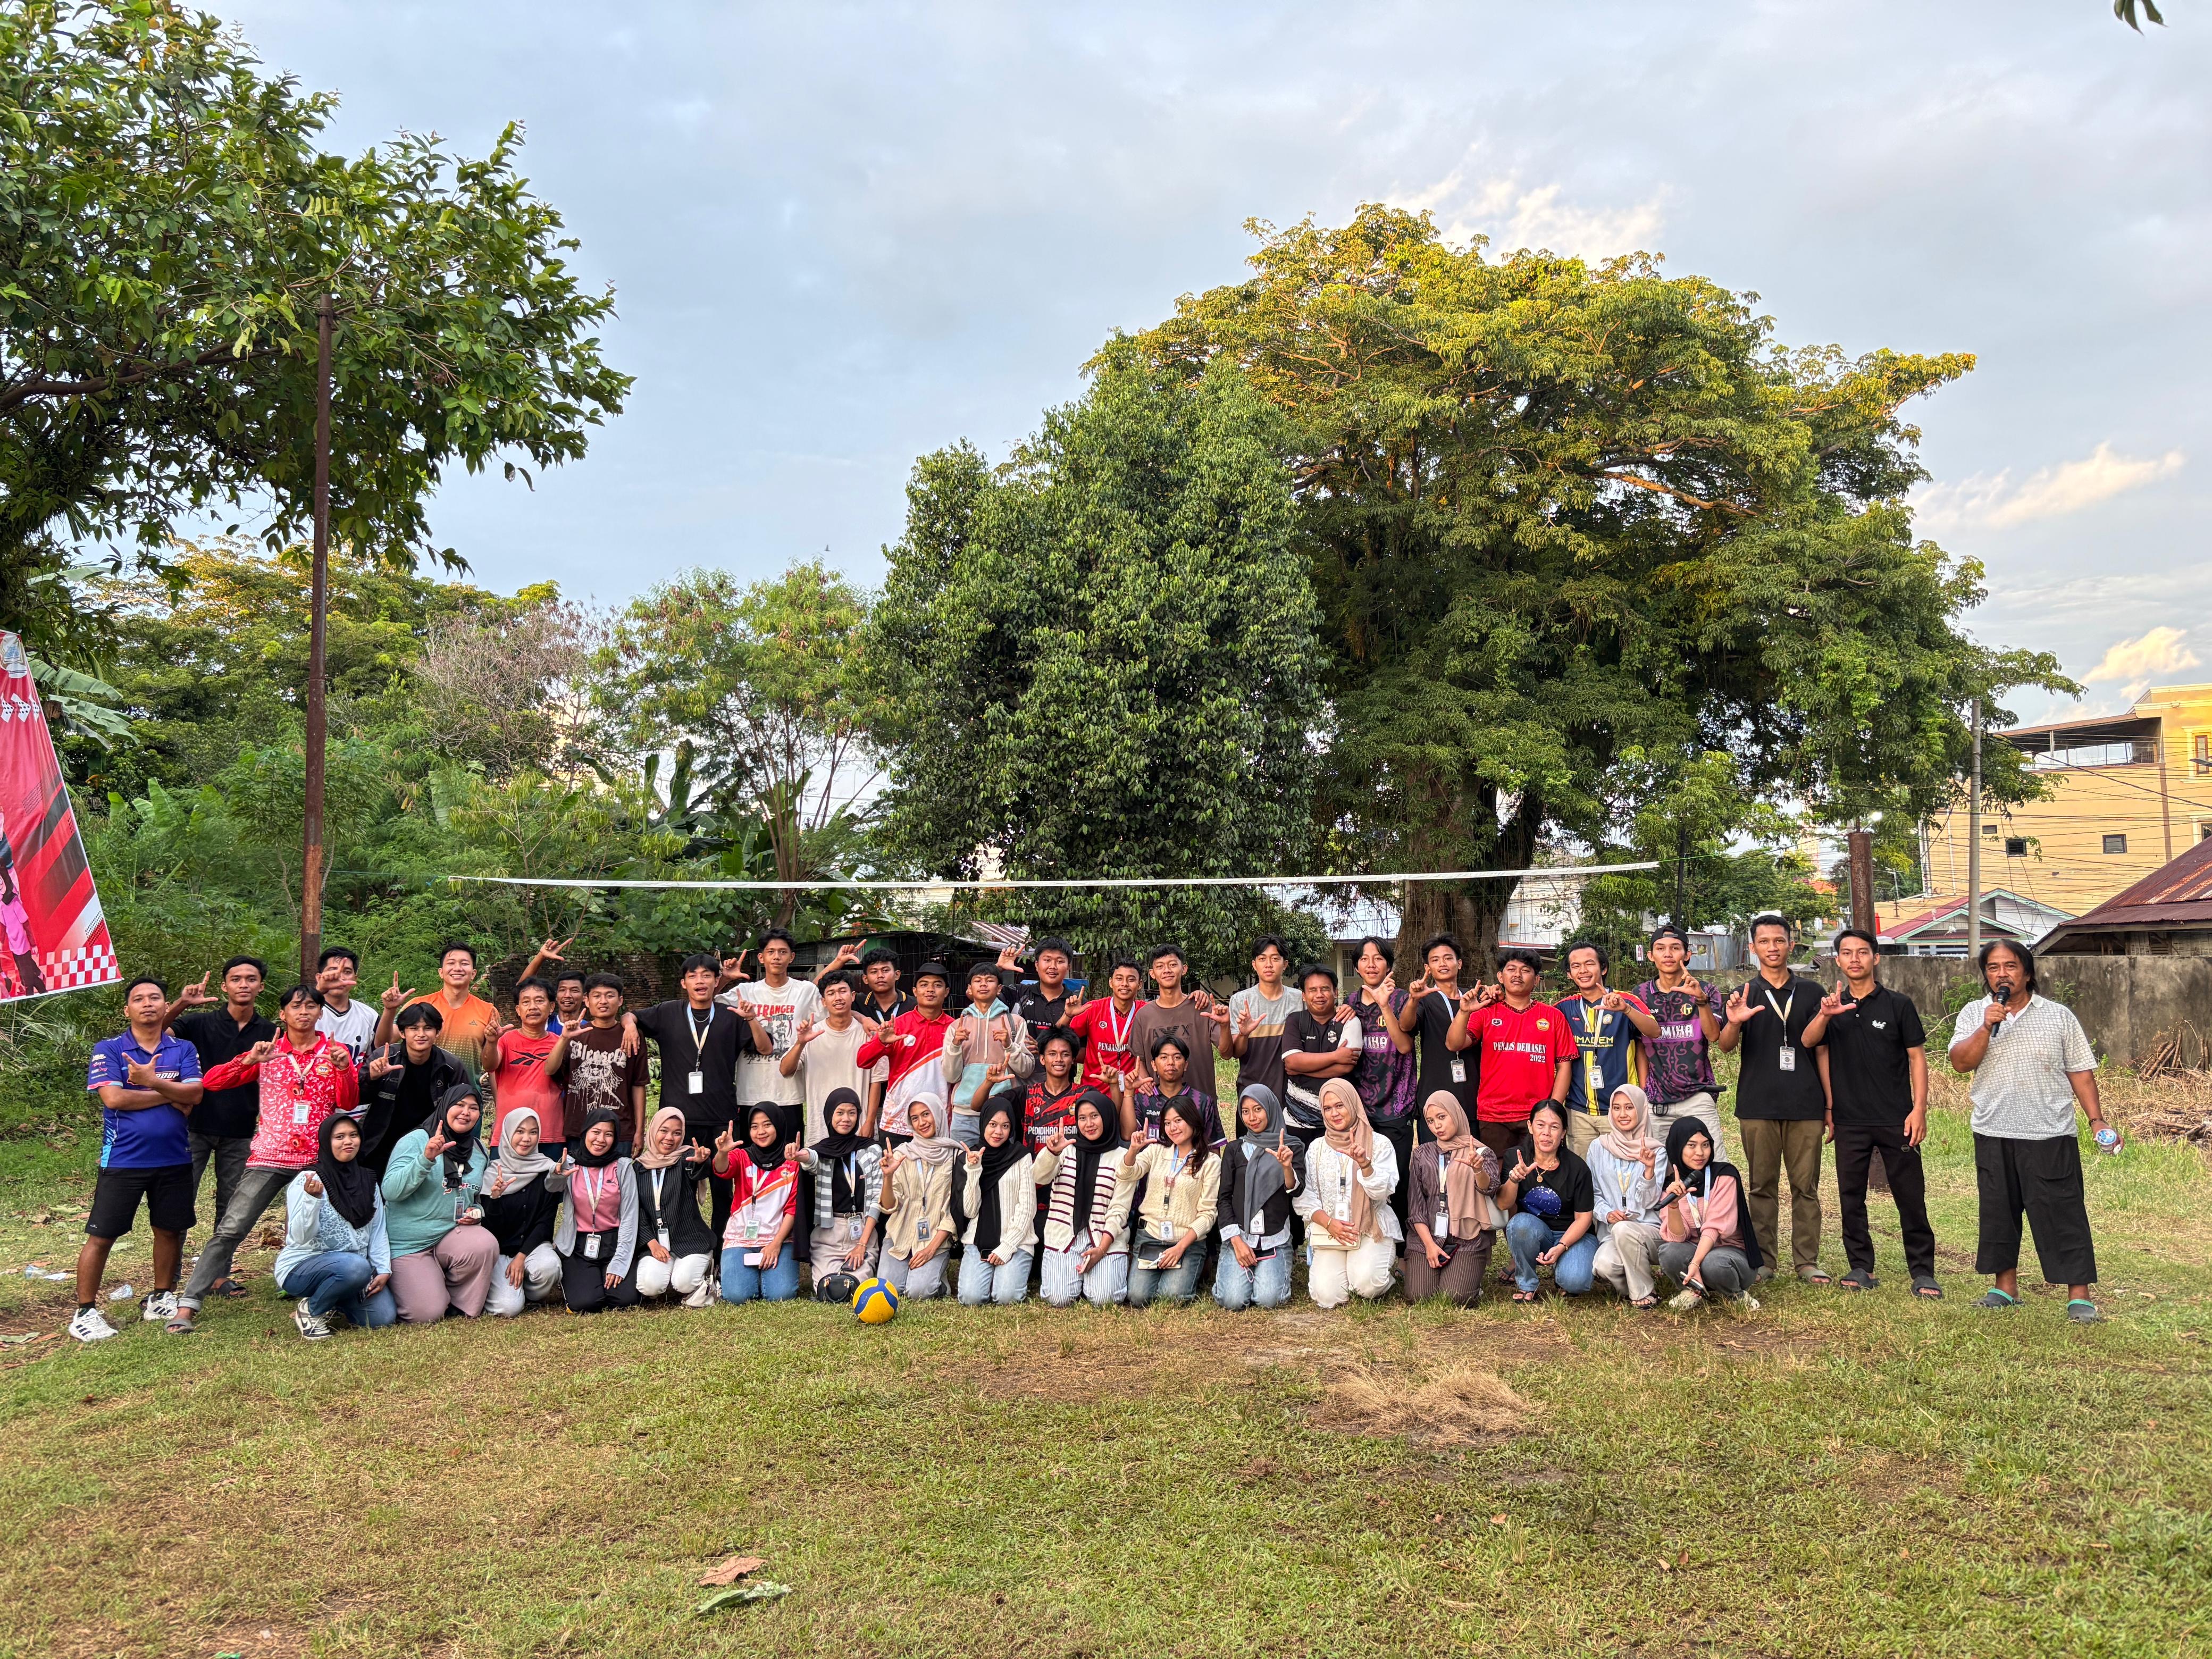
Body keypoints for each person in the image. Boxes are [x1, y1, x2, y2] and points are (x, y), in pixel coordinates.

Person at [169, 984, 359, 1335]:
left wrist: (345, 1068)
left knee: (330, 1229)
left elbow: (348, 1101)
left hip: (318, 1161)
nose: (304, 1012)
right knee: (231, 1228)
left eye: (311, 1007)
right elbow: (211, 1083)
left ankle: (325, 1296)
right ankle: (187, 1306)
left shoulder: (335, 1052)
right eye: (296, 1007)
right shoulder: (268, 1052)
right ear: (283, 1014)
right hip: (270, 1154)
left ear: (321, 1013)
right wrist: (249, 1060)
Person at [1946, 939, 2115, 1323]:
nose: (2001, 974)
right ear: (1985, 974)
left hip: (2049, 1131)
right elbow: (1960, 1063)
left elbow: (2081, 1072)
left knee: (2063, 1212)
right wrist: (1987, 1026)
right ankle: (2004, 1288)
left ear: (2027, 971)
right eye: (1992, 967)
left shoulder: (2058, 1016)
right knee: (1998, 1212)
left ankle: (2079, 1296)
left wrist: (2097, 1119)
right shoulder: (1975, 1013)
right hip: (1994, 1129)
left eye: (2010, 966)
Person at [71, 977, 205, 1342]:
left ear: (166, 1007)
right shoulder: (110, 1049)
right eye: (139, 999)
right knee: (103, 1235)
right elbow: (114, 1099)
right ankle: (85, 1311)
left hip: (174, 1158)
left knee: (169, 1229)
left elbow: (195, 1092)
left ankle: (161, 1296)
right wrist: (168, 1092)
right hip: (124, 1159)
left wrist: (149, 1083)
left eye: (155, 998)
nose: (148, 1004)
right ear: (127, 1009)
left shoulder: (183, 1048)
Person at [1714, 914, 1836, 1284]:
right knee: (1761, 1186)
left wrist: (1830, 1106)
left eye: (1779, 941)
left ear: (1791, 944)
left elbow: (1823, 1053)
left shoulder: (1813, 993)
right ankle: (1764, 1261)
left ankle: (1806, 1262)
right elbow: (1724, 1046)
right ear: (1753, 948)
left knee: (1806, 1187)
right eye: (1764, 942)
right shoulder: (1743, 993)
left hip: (1806, 1105)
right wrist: (1734, 1020)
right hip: (1758, 1105)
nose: (1772, 948)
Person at [1819, 928, 1939, 1298]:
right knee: (1850, 1197)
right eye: (1847, 953)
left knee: (1910, 1196)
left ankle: (1923, 1271)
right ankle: (1860, 1266)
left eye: (1862, 952)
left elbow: (1917, 1058)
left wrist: (1918, 1109)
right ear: (1837, 961)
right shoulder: (1831, 1008)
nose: (1855, 959)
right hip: (1850, 1120)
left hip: (1896, 1117)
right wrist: (1830, 1108)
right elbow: (1818, 1051)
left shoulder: (1898, 1004)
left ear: (1876, 958)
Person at [623, 954, 766, 1238]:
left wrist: (752, 1020)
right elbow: (632, 1014)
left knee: (723, 1189)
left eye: (706, 976)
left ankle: (721, 1250)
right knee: (679, 1190)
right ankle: (685, 1245)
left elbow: (764, 1048)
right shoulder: (668, 1013)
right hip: (678, 1122)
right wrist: (629, 1025)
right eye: (693, 976)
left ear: (717, 982)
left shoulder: (730, 1015)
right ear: (683, 983)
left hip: (721, 1119)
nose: (700, 981)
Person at [164, 957, 273, 1289]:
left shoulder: (270, 1032)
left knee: (230, 1207)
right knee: (180, 1201)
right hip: (193, 1127)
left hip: (241, 1131)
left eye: (251, 979)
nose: (243, 984)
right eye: (236, 979)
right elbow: (156, 1031)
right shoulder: (198, 1024)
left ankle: (218, 1275)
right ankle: (168, 1278)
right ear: (224, 986)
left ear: (261, 987)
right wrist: (182, 1003)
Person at [379, 1084, 498, 1323]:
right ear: (445, 1107)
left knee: (484, 1243)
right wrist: (425, 1160)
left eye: (474, 1108)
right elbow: (390, 1191)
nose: (466, 1113)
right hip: (409, 1244)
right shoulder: (417, 1140)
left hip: (449, 1236)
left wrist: (477, 1212)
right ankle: (416, 1288)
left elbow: (472, 1198)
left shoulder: (478, 1151)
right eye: (459, 1105)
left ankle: (459, 1303)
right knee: (427, 1313)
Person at [272, 1114, 397, 1339]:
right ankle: (312, 1310)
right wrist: (313, 1200)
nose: (348, 1142)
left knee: (382, 1318)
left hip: (352, 1269)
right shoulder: (309, 1180)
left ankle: (334, 1300)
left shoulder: (367, 1181)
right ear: (326, 1143)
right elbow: (299, 1238)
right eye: (339, 1137)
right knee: (356, 1268)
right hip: (303, 1267)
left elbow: (377, 1230)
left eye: (353, 1135)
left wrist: (383, 1268)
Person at [1459, 949, 1575, 1161]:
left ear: (1537, 979)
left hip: (1537, 1116)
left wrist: (1551, 1111)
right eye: (1511, 969)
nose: (1517, 975)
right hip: (1494, 1115)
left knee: (1541, 1173)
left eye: (1525, 970)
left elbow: (1565, 1066)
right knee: (1498, 1179)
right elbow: (1455, 1043)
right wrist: (1464, 1011)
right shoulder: (1485, 1013)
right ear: (1500, 977)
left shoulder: (1553, 1017)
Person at [1295, 1078, 1400, 1309]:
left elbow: (1384, 1191)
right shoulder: (1316, 1148)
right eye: (1328, 1108)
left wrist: (1365, 1165)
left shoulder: (1379, 1144)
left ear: (1353, 1104)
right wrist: (1330, 1223)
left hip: (1369, 1227)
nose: (1334, 1113)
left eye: (1340, 1105)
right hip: (1331, 1229)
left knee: (1367, 1284)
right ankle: (1347, 1272)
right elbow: (1305, 1195)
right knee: (1326, 1296)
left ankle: (1376, 1276)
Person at [1555, 941, 1658, 1158]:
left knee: (1624, 1177)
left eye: (1589, 964)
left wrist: (1626, 1010)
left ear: (1603, 968)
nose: (1583, 970)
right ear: (1569, 974)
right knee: (1584, 1176)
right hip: (1578, 1111)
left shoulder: (1626, 1001)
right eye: (1576, 966)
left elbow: (1654, 1031)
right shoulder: (1563, 1008)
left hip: (1621, 1110)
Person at [1401, 1091, 1502, 1307]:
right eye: (1430, 1120)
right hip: (1427, 1237)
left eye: (1442, 1117)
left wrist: (1478, 1170)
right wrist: (1429, 1245)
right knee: (1419, 1297)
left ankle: (1468, 1275)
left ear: (1455, 1114)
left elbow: (1490, 1189)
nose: (1437, 1126)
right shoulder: (1422, 1154)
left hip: (1467, 1238)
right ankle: (1439, 1265)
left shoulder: (1480, 1152)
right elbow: (1416, 1207)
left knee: (1456, 1298)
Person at [1035, 1089, 1133, 1307]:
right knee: (1059, 1299)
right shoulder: (1066, 1149)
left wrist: (1102, 1249)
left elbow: (1120, 1209)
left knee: (1103, 1299)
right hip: (1065, 1237)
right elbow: (1039, 1177)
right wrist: (1051, 1153)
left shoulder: (1122, 1158)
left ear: (1107, 1116)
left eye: (1094, 1116)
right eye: (1082, 1118)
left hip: (1105, 1238)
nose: (1088, 1124)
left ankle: (1106, 1269)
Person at [1633, 925, 1726, 1154]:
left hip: (1698, 1095)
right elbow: (1639, 1045)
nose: (1668, 954)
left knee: (1714, 1164)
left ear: (1687, 955)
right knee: (1659, 1169)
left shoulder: (1706, 990)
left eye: (1675, 948)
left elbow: (1714, 1036)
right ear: (1650, 956)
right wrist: (1645, 1089)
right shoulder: (1640, 995)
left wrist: (1701, 1001)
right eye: (1660, 948)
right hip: (1657, 1101)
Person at [1117, 1095, 1218, 1306]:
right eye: (1168, 1123)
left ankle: (1194, 1266)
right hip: (1151, 1236)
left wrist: (1180, 1248)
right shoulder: (1155, 1151)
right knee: (1138, 1297)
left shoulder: (1210, 1161)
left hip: (1186, 1241)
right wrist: (1134, 1150)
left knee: (1171, 1297)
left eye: (1179, 1120)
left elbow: (1208, 1214)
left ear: (1192, 1121)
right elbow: (1126, 1174)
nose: (1173, 1128)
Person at [1346, 936, 1418, 1233]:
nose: (1371, 964)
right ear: (1357, 967)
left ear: (1388, 963)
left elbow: (1403, 1046)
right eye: (1364, 958)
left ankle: (1402, 1247)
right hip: (1360, 1108)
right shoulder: (1349, 1004)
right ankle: (1364, 1233)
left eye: (1378, 958)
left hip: (1396, 1105)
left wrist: (1385, 1005)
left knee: (1397, 1177)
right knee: (1362, 1173)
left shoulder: (1403, 1000)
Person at [1656, 1118, 1762, 1310]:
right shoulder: (1671, 1185)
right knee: (1669, 1252)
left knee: (1714, 1263)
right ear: (1677, 1147)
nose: (1700, 1153)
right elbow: (1677, 1238)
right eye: (1691, 1146)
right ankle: (1691, 1290)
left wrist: (1696, 1263)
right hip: (1695, 1251)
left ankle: (1735, 1293)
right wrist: (1673, 1206)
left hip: (1731, 1256)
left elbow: (1716, 1228)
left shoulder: (1725, 1175)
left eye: (1705, 1145)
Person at [1213, 1085, 1301, 1311]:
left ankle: (1273, 1267)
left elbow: (1296, 1192)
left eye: (1258, 1109)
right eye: (1245, 1111)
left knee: (1268, 1300)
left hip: (1274, 1238)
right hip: (1240, 1237)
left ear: (1271, 1109)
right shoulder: (1234, 1150)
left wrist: (1286, 1168)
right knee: (1232, 1301)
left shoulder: (1291, 1148)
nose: (1252, 1118)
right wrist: (1236, 1242)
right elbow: (1223, 1198)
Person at [358, 1003, 471, 1176]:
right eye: (413, 1028)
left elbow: (464, 1106)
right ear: (402, 1033)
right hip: (380, 1142)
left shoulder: (451, 1067)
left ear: (437, 1032)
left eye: (428, 1028)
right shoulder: (385, 1059)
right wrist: (373, 1078)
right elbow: (360, 1098)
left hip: (428, 1143)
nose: (421, 1034)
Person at [1499, 1101, 1597, 1302]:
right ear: (1530, 1127)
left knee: (1575, 1282)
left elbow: (1584, 1219)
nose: (1546, 1133)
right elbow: (1503, 1204)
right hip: (1537, 1231)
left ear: (1563, 1133)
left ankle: (1563, 1269)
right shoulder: (1515, 1157)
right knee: (1519, 1224)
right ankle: (1527, 1284)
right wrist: (1514, 1180)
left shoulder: (1577, 1167)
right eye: (1540, 1125)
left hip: (1573, 1235)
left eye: (1554, 1127)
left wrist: (1562, 1246)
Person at [548, 971, 648, 1158]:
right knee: (576, 1185)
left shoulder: (632, 1035)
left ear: (620, 1001)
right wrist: (563, 1039)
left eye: (610, 996)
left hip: (620, 1130)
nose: (603, 1001)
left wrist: (639, 1131)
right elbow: (550, 1070)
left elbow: (638, 1084)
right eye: (597, 996)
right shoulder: (575, 1033)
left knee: (617, 1184)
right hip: (578, 1129)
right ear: (587, 1000)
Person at [722, 927, 822, 1115]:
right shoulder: (745, 991)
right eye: (771, 952)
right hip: (750, 1092)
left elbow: (832, 1017)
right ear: (762, 958)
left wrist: (861, 1017)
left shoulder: (806, 991)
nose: (777, 957)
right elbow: (705, 1002)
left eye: (783, 952)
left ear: (791, 957)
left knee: (792, 1144)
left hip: (789, 1092)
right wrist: (725, 979)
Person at [1585, 1084, 1668, 1308]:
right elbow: (1592, 1193)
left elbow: (1649, 1202)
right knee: (1604, 1265)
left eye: (1629, 1108)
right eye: (1617, 1108)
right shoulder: (1598, 1147)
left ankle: (1643, 1293)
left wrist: (1649, 1172)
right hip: (1613, 1231)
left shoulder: (1656, 1150)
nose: (1623, 1114)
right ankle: (1634, 1284)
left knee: (1625, 1229)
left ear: (1641, 1110)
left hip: (1650, 1230)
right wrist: (1607, 1213)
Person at [625, 1105, 717, 1306]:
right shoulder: (638, 1168)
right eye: (664, 1131)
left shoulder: (685, 1158)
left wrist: (701, 1162)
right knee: (649, 1286)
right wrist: (651, 1243)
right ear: (653, 1130)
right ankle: (673, 1270)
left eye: (677, 1133)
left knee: (683, 1283)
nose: (670, 1138)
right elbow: (636, 1211)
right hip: (656, 1243)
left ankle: (705, 1265)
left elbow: (697, 1172)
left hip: (690, 1240)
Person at [780, 969, 887, 1141]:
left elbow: (877, 1081)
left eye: (842, 991)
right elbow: (785, 1070)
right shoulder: (811, 1034)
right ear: (824, 1001)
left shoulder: (869, 1034)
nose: (838, 997)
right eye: (831, 993)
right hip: (820, 1131)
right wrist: (800, 1043)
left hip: (859, 1128)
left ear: (853, 996)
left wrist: (869, 1121)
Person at [856, 961, 954, 1145]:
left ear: (947, 992)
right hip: (897, 1122)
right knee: (895, 1174)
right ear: (915, 991)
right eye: (924, 985)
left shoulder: (956, 1029)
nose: (930, 990)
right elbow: (862, 1061)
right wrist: (881, 1041)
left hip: (939, 1123)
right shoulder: (898, 1026)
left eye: (938, 985)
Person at [480, 1107, 564, 1318]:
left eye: (533, 1132)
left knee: (549, 1268)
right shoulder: (493, 1173)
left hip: (532, 1248)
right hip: (499, 1252)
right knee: (508, 1308)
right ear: (508, 1133)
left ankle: (527, 1293)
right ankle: (511, 1293)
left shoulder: (546, 1170)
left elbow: (545, 1222)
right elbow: (489, 1230)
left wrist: (522, 1256)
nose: (526, 1139)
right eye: (520, 1131)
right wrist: (495, 1198)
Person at [554, 1108, 640, 1313]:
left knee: (625, 1299)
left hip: (614, 1241)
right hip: (579, 1244)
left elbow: (630, 1216)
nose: (601, 1139)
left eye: (609, 1134)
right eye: (596, 1132)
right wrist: (557, 1176)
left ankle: (608, 1275)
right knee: (585, 1303)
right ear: (585, 1132)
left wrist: (619, 1263)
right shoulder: (570, 1165)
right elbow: (551, 1189)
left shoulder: (623, 1166)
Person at [714, 1104, 802, 1303]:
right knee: (737, 1296)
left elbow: (792, 1209)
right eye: (754, 1127)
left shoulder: (792, 1163)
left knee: (781, 1295)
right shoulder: (742, 1156)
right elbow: (722, 1169)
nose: (761, 1132)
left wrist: (776, 1244)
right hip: (741, 1238)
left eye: (767, 1125)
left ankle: (766, 1273)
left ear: (779, 1126)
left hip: (779, 1239)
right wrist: (722, 1153)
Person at [876, 1097, 959, 1301]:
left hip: (934, 1238)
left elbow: (953, 1211)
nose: (922, 1122)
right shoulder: (901, 1155)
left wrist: (931, 1250)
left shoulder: (955, 1156)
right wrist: (888, 1177)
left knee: (918, 1292)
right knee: (889, 1290)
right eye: (915, 1118)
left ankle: (938, 1283)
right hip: (900, 1236)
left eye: (926, 1114)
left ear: (938, 1114)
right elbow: (888, 1207)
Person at [799, 1087, 883, 1286]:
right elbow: (812, 1161)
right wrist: (800, 1155)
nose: (846, 1119)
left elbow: (876, 1200)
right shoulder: (823, 1150)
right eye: (840, 1113)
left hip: (863, 1230)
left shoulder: (871, 1149)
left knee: (855, 1286)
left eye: (852, 1113)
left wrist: (863, 1243)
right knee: (826, 1287)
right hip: (829, 1234)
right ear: (829, 1115)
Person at [941, 960, 1033, 1141]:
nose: (983, 984)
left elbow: (1027, 1070)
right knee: (964, 1165)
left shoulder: (1015, 1022)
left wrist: (1009, 1044)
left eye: (989, 980)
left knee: (1002, 1167)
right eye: (978, 980)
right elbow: (951, 1076)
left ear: (999, 989)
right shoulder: (957, 1026)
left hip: (1002, 1109)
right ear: (970, 989)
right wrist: (955, 1045)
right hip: (964, 1112)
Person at [381, 943, 502, 1077]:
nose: (457, 968)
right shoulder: (419, 1005)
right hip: (421, 1090)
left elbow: (490, 1067)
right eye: (451, 963)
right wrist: (389, 1010)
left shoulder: (488, 1011)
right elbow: (383, 1042)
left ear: (473, 974)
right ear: (441, 972)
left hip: (465, 1092)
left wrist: (492, 1042)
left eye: (465, 964)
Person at [1402, 933, 1481, 1129]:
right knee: (1433, 1159)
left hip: (1472, 1094)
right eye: (1435, 960)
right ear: (1428, 968)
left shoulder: (1474, 999)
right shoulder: (1425, 999)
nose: (1443, 964)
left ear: (1459, 963)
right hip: (1434, 1092)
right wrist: (1413, 1000)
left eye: (1448, 958)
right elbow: (1405, 1026)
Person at [1280, 963, 1361, 1152]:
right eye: (1313, 990)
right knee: (1299, 1175)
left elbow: (1346, 1067)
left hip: (1339, 1120)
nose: (1319, 995)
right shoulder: (1295, 1020)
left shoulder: (1349, 1021)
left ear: (1335, 992)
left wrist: (1301, 1068)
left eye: (1325, 989)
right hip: (1297, 1119)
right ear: (1304, 995)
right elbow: (1292, 1062)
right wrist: (1335, 1056)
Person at [1217, 934, 1300, 1103]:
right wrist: (1244, 1034)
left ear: (1285, 964)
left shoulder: (1299, 999)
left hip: (1292, 1093)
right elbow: (1236, 1053)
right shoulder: (1241, 1000)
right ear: (1255, 965)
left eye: (1275, 959)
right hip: (1251, 1092)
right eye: (1262, 959)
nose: (1269, 965)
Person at [485, 976, 564, 1147]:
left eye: (539, 1001)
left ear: (551, 1007)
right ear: (518, 1010)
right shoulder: (505, 1040)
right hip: (509, 1132)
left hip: (550, 1133)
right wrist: (491, 1042)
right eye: (526, 1002)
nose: (533, 1007)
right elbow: (489, 1065)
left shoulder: (561, 1042)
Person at [1126, 945, 1212, 1094]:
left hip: (1201, 1102)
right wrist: (1147, 1083)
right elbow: (1138, 1058)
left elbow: (1226, 1051)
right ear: (1152, 974)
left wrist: (1225, 1025)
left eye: (1173, 965)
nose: (1167, 970)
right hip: (1161, 1104)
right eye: (1160, 966)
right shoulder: (1144, 1016)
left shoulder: (1200, 1006)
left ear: (1184, 969)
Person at [1118, 1030, 1223, 1146]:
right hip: (1151, 1164)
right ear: (1154, 1065)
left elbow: (1213, 1147)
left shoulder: (1202, 1101)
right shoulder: (1143, 1100)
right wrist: (1129, 1091)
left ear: (1186, 1065)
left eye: (1177, 1057)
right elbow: (1128, 1135)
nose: (1171, 1063)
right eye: (1164, 1057)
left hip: (1192, 1164)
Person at [1065, 955, 1145, 1094]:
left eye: (1131, 979)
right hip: (1095, 1090)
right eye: (1119, 979)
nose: (1125, 984)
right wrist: (1068, 1015)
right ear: (1111, 982)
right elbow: (1063, 1038)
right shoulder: (1092, 1009)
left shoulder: (1146, 1012)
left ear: (1140, 984)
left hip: (1133, 1092)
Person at [1018, 1027, 1086, 1153]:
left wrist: (1114, 1086)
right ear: (1042, 1059)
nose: (1059, 1059)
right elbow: (978, 1106)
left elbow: (1110, 1117)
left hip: (1072, 1171)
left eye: (1065, 1054)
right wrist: (990, 1083)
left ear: (1073, 1060)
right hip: (1035, 1170)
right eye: (1052, 1054)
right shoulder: (1026, 1095)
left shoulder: (1085, 1095)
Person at [1011, 936, 1084, 1052]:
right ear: (1036, 965)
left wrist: (1049, 1050)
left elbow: (1084, 1052)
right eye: (1047, 960)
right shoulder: (1017, 994)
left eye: (1060, 962)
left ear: (1068, 967)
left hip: (1062, 1070)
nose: (1053, 967)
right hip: (1021, 1069)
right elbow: (977, 997)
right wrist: (998, 969)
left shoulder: (1078, 1004)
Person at [313, 946, 380, 1061]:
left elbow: (375, 1056)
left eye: (347, 972)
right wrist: (318, 990)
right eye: (333, 971)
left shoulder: (370, 1016)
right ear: (319, 978)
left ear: (355, 978)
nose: (340, 977)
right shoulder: (305, 1012)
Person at [548, 969, 588, 1036]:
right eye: (562, 990)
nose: (567, 995)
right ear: (556, 996)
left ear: (584, 997)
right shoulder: (544, 1023)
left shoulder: (588, 1028)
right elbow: (525, 989)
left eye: (574, 991)